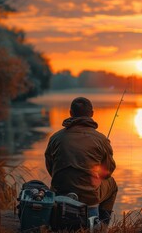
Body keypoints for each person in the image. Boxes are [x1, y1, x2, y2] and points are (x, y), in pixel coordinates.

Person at [44, 97, 118, 226]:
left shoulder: (55, 138)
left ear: (71, 113)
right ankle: (102, 227)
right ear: (92, 114)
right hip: (89, 196)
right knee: (112, 185)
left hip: (59, 192)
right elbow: (107, 173)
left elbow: (50, 167)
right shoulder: (101, 139)